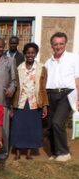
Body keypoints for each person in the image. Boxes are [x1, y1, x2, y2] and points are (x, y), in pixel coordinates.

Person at [11, 43, 48, 160]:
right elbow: (16, 87)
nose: (30, 55)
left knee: (32, 127)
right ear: (25, 54)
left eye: (33, 52)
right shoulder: (19, 68)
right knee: (18, 126)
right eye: (28, 53)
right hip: (20, 101)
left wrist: (45, 105)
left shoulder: (41, 68)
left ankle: (28, 152)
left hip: (35, 102)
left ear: (36, 54)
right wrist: (12, 105)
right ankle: (17, 151)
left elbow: (43, 87)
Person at [45, 32, 79, 162]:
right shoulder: (49, 62)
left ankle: (64, 152)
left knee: (58, 122)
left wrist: (78, 98)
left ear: (65, 44)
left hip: (67, 93)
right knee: (51, 124)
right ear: (52, 45)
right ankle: (54, 152)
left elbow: (77, 79)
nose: (58, 46)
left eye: (61, 44)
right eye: (55, 44)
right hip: (51, 94)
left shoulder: (74, 58)